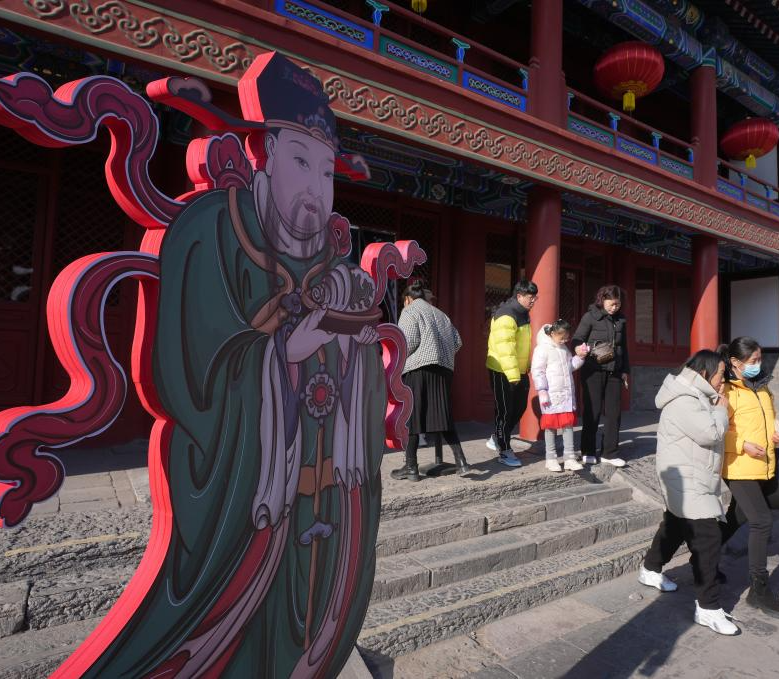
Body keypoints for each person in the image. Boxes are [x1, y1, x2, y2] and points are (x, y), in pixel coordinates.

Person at [89, 53, 385, 676]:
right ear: (266, 153)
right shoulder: (214, 229)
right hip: (250, 490)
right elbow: (193, 368)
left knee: (312, 596)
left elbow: (356, 359)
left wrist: (354, 348)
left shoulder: (330, 258)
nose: (317, 190)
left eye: (327, 172)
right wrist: (281, 354)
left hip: (323, 482)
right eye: (301, 162)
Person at [638, 350, 738, 636]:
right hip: (686, 478)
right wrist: (722, 409)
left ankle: (650, 568)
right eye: (721, 374)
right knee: (708, 539)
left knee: (674, 526)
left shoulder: (697, 395)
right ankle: (708, 607)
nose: (723, 380)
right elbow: (711, 433)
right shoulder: (684, 399)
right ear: (705, 373)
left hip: (693, 475)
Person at [718, 337, 779, 620]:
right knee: (762, 520)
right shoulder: (726, 390)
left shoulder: (762, 386)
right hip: (738, 465)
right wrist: (742, 445)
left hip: (762, 463)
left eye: (760, 359)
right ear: (735, 362)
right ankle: (759, 589)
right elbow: (717, 431)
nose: (758, 364)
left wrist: (778, 430)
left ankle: (703, 556)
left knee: (736, 517)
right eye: (753, 361)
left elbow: (769, 418)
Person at [393, 280, 471, 481]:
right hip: (444, 369)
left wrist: (395, 361)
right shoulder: (441, 314)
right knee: (444, 415)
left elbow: (408, 342)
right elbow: (457, 342)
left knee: (412, 416)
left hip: (419, 369)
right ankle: (461, 462)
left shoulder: (410, 311)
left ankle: (411, 467)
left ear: (408, 299)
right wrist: (441, 354)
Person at [572, 285, 630, 467]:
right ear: (602, 300)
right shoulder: (590, 317)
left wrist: (625, 370)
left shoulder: (621, 320)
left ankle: (610, 453)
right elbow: (577, 338)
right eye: (612, 304)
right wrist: (578, 348)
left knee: (614, 413)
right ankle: (588, 451)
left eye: (618, 304)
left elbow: (624, 347)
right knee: (592, 411)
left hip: (615, 371)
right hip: (593, 370)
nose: (615, 308)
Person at [486, 280, 538, 467]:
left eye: (535, 297)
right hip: (502, 369)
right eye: (530, 297)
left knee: (520, 407)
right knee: (505, 411)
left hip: (518, 369)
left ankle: (497, 437)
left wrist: (525, 367)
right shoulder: (507, 314)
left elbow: (522, 345)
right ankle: (504, 450)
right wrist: (514, 375)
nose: (533, 301)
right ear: (519, 296)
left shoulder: (523, 313)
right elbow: (505, 347)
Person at [531, 320, 589, 472]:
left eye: (566, 338)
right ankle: (551, 458)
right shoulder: (542, 349)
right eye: (561, 337)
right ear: (552, 334)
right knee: (550, 427)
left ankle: (569, 458)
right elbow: (537, 371)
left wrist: (580, 357)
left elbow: (570, 366)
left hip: (566, 393)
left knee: (568, 425)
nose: (564, 340)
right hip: (550, 394)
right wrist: (542, 390)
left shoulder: (564, 349)